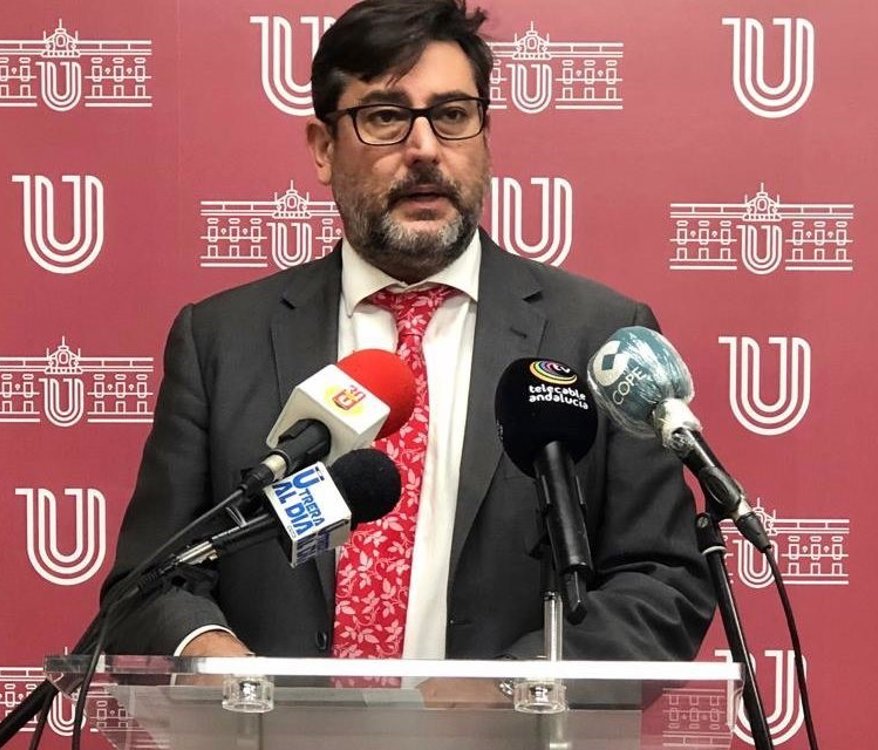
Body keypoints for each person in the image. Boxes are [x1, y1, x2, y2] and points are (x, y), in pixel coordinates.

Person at [101, 0, 714, 664]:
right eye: (385, 117)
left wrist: (514, 687)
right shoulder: (222, 341)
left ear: (485, 135)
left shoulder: (596, 337)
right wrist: (213, 656)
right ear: (324, 149)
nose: (423, 149)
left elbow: (662, 582)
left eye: (452, 115)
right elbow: (148, 583)